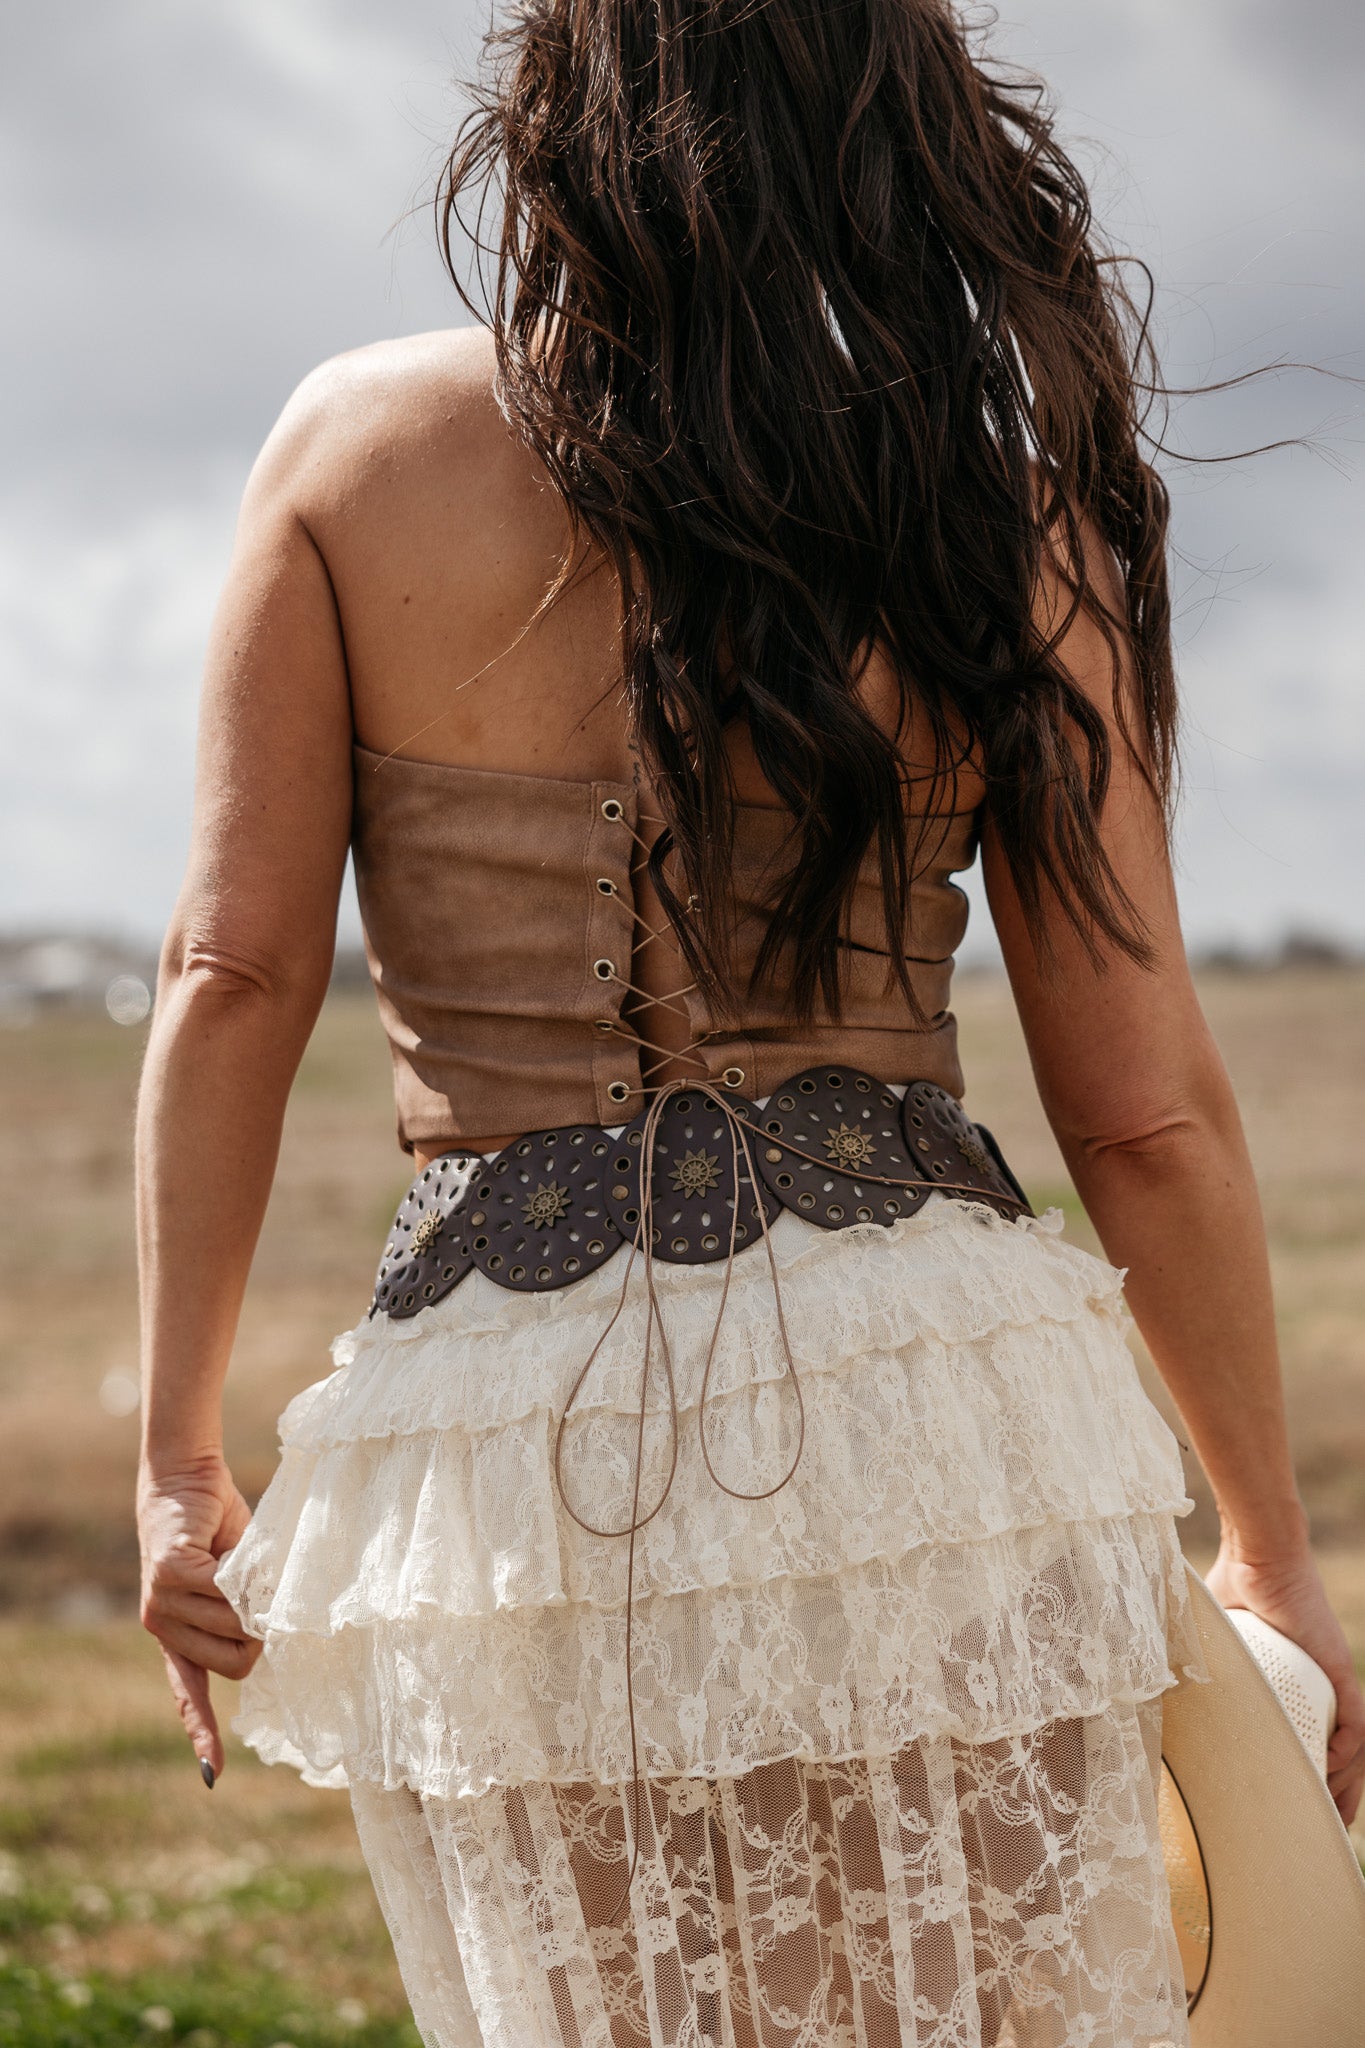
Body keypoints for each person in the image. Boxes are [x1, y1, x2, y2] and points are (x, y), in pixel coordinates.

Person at [135, 1, 1365, 2043]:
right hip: (933, 1407)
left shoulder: (354, 454)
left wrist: (180, 1456)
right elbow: (1141, 1115)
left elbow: (230, 975)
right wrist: (1271, 1551)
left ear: (561, 116)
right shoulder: (990, 515)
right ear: (889, 134)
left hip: (510, 1430)